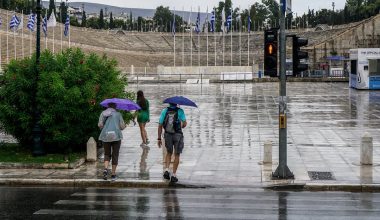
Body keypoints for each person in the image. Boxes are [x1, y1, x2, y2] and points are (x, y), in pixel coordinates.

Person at [158, 103, 187, 183]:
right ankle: (174, 175)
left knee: (169, 152)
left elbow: (160, 124)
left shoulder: (165, 111)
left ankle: (167, 170)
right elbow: (184, 124)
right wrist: (180, 125)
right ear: (176, 103)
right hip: (178, 135)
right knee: (177, 154)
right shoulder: (180, 111)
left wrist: (159, 138)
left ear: (169, 103)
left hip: (167, 134)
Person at [98, 103, 126, 181]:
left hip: (106, 136)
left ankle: (106, 169)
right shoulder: (118, 114)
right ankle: (113, 174)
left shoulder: (103, 113)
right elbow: (122, 126)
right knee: (115, 154)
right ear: (115, 107)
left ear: (108, 106)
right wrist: (124, 125)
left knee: (107, 154)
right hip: (116, 137)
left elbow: (100, 125)